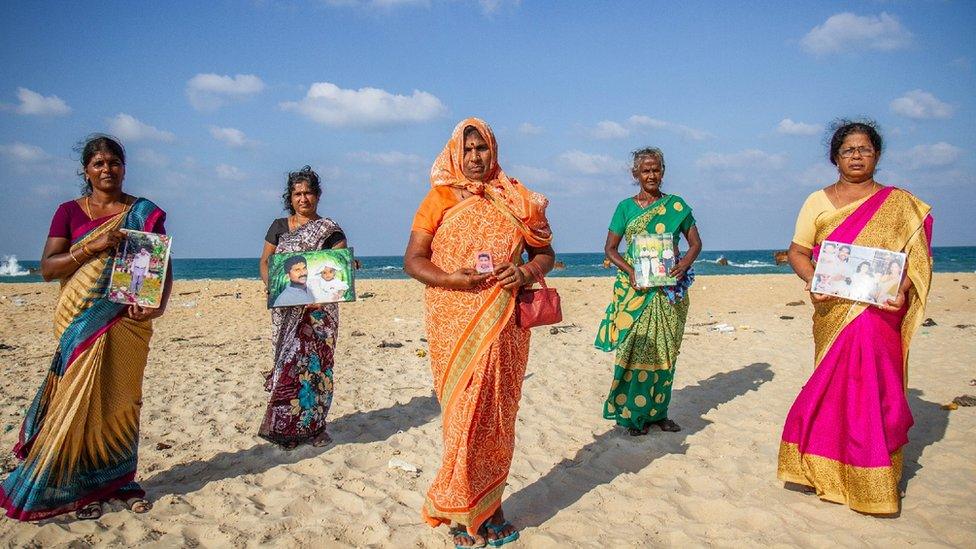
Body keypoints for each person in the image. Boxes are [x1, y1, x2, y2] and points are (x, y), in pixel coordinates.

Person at [0, 134, 171, 521]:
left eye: (114, 162)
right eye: (98, 163)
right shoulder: (68, 212)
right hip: (79, 321)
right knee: (73, 401)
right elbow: (48, 268)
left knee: (121, 399)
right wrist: (93, 247)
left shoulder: (145, 213)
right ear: (86, 170)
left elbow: (162, 264)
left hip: (127, 324)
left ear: (124, 167)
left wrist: (155, 307)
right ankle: (75, 485)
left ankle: (117, 480)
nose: (107, 169)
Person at [404, 118, 554, 548]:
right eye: (468, 150)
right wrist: (451, 279)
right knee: (462, 417)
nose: (475, 157)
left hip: (505, 324)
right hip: (454, 323)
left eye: (482, 149)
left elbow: (544, 253)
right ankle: (459, 512)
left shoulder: (516, 197)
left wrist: (525, 270)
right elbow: (413, 261)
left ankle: (493, 507)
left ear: (493, 151)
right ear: (456, 152)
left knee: (498, 416)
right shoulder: (439, 198)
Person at [779, 119, 933, 514]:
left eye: (865, 149)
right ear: (835, 157)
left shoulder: (899, 205)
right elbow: (798, 252)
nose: (857, 156)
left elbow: (915, 263)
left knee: (876, 394)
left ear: (877, 155)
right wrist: (815, 280)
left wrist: (902, 290)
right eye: (849, 150)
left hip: (879, 317)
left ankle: (873, 484)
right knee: (832, 389)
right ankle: (822, 472)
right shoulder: (817, 201)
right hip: (834, 312)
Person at [595, 147, 702, 436]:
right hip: (636, 292)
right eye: (646, 170)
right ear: (636, 174)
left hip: (669, 292)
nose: (651, 175)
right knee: (635, 351)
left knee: (666, 353)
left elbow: (695, 244)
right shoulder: (625, 208)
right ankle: (632, 415)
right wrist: (631, 272)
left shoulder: (677, 207)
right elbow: (610, 248)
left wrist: (682, 265)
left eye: (656, 170)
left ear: (663, 172)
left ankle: (659, 413)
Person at [258, 166, 347, 449]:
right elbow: (265, 263)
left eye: (308, 192)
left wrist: (346, 270)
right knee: (288, 367)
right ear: (290, 197)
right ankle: (286, 430)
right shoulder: (278, 227)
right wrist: (271, 285)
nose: (303, 198)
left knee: (317, 368)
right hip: (286, 310)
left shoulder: (330, 230)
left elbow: (338, 266)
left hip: (319, 313)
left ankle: (316, 427)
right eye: (297, 193)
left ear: (318, 196)